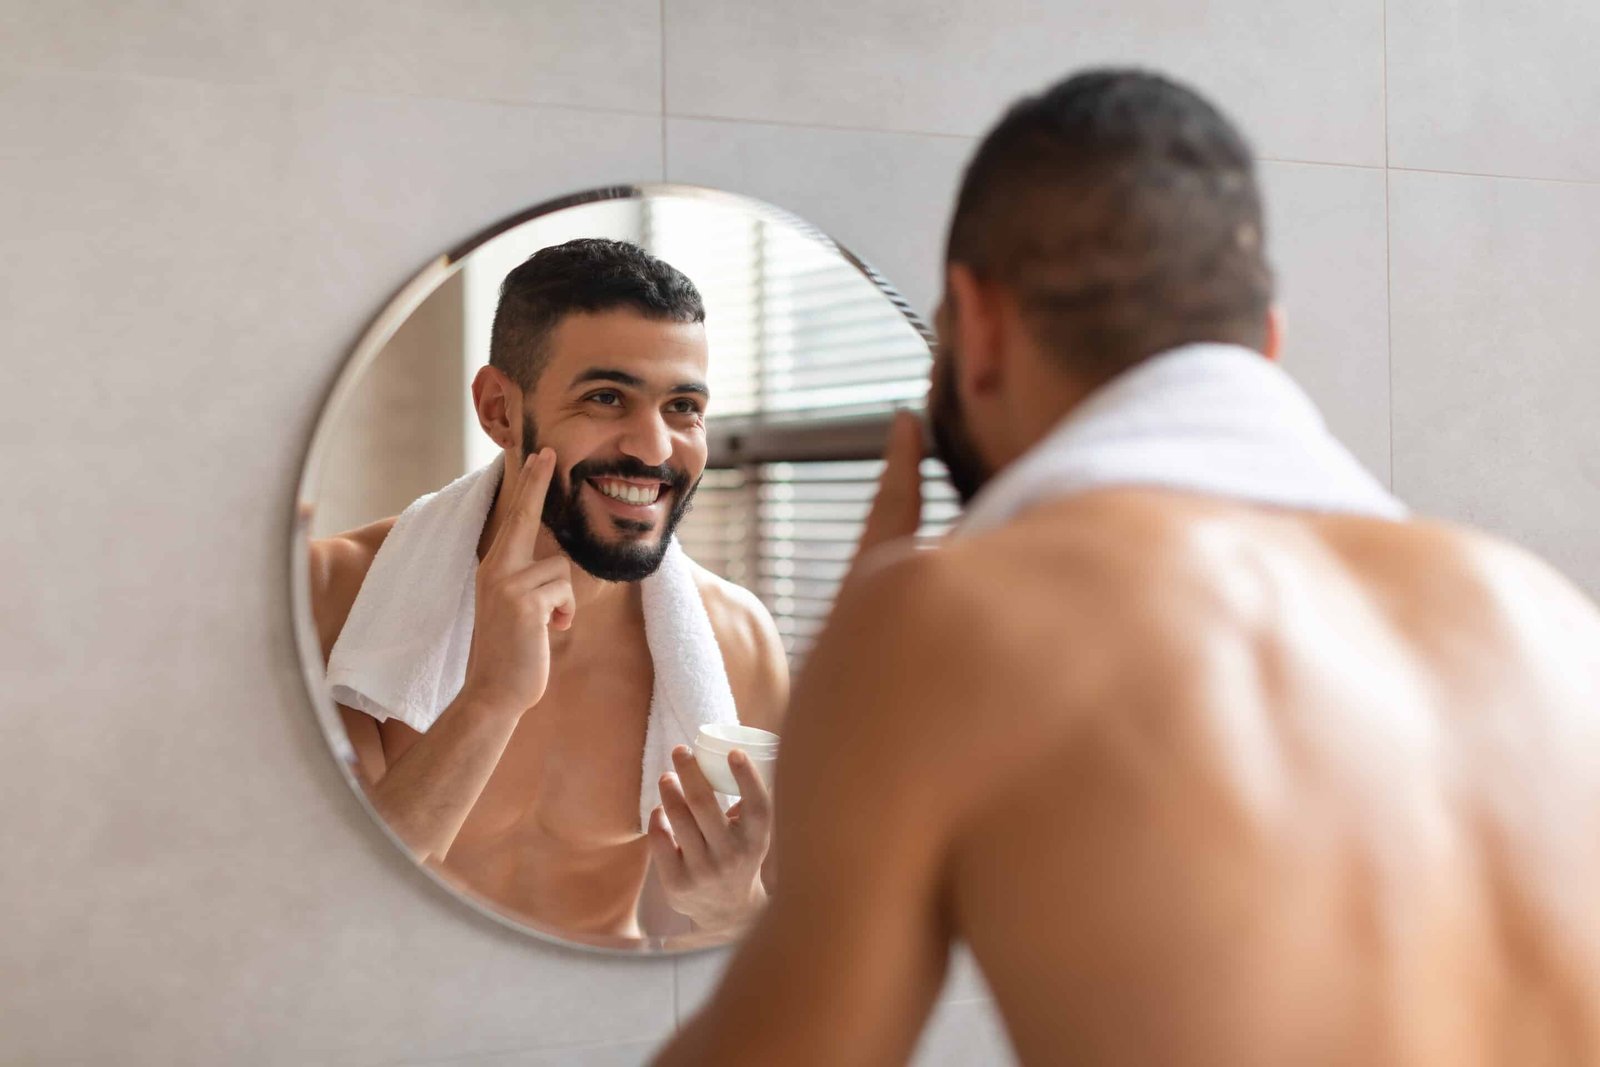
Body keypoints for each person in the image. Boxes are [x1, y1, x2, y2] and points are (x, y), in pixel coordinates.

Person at [655, 70, 1600, 1064]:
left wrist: (857, 692)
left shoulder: (956, 615)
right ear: (1262, 349)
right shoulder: (1550, 619)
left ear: (977, 329)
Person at [309, 239, 788, 940]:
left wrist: (729, 908)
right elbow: (325, 898)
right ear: (500, 409)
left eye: (682, 406)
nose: (654, 449)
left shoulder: (737, 639)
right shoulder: (337, 592)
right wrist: (490, 698)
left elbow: (796, 948)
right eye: (606, 397)